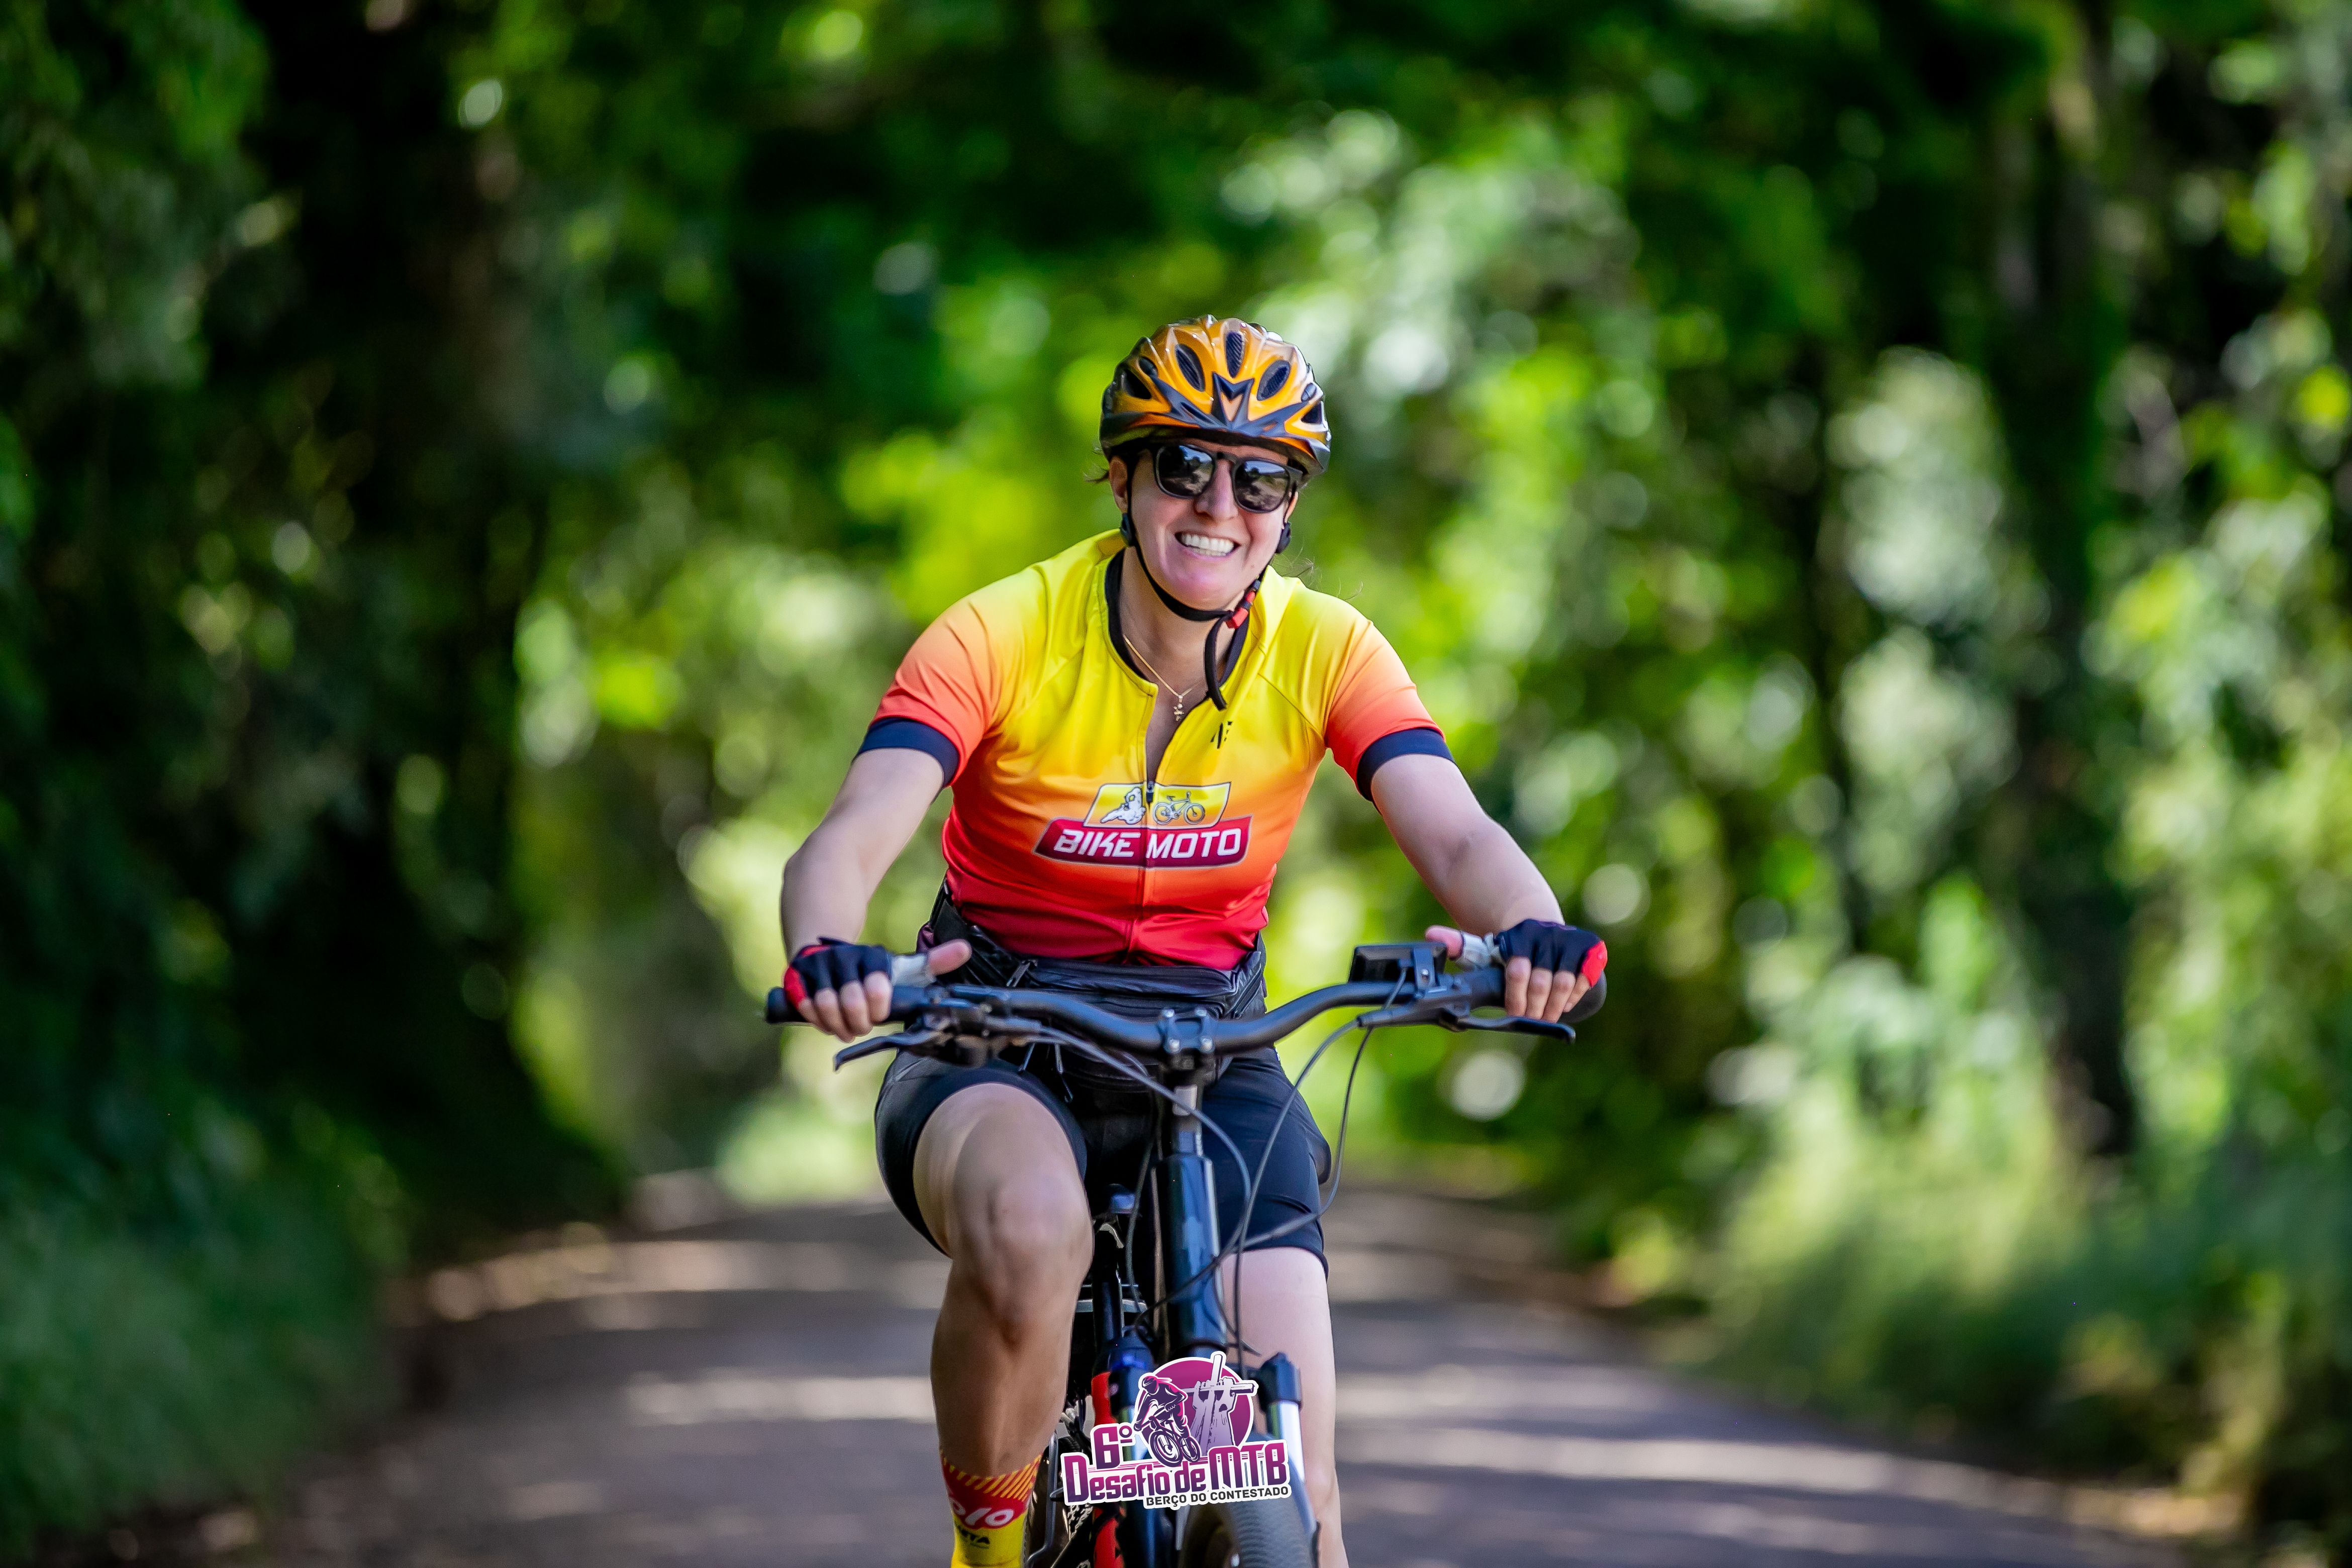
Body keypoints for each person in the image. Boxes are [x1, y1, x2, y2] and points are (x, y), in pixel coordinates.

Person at [777, 316, 1605, 1568]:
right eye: (1185, 467)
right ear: (1122, 477)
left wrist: (1532, 934)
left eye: (1261, 479)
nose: (1221, 505)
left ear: (1288, 504)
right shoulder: (1003, 632)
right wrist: (827, 951)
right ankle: (988, 1550)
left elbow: (1456, 831)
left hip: (1215, 1044)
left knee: (1305, 1485)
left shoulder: (1326, 648)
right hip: (993, 1027)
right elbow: (846, 837)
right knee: (1031, 1228)